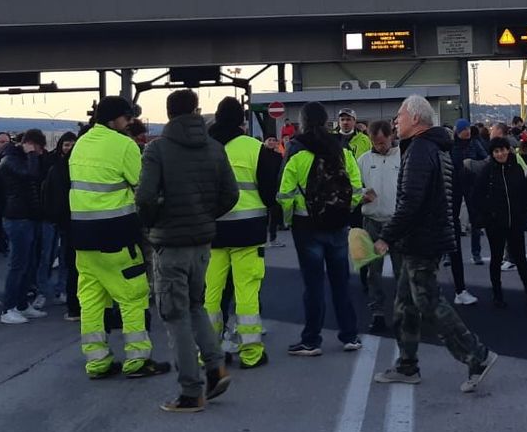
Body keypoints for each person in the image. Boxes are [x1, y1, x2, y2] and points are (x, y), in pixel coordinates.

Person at [371, 96, 497, 391]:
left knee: (428, 302)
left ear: (415, 119)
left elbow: (411, 202)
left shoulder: (419, 150)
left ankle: (477, 356)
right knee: (405, 304)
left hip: (422, 239)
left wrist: (386, 236)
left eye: (400, 116)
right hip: (425, 236)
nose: (395, 121)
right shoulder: (434, 147)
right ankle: (407, 365)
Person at [137, 88, 239, 413]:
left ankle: (191, 392)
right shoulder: (214, 147)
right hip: (202, 243)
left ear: (168, 113)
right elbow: (231, 194)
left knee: (175, 315)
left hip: (170, 244)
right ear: (196, 111)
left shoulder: (157, 150)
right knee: (195, 306)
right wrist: (205, 216)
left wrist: (153, 223)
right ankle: (216, 367)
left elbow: (144, 197)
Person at [69, 97, 170, 380]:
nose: (130, 123)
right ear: (114, 119)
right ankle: (137, 359)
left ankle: (97, 361)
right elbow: (144, 187)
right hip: (116, 234)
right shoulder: (124, 145)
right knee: (133, 295)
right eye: (127, 118)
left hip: (82, 236)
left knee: (91, 299)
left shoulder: (81, 144)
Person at [277, 101, 363, 356]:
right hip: (338, 224)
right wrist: (343, 210)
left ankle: (311, 340)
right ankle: (350, 335)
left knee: (313, 286)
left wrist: (290, 218)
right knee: (341, 282)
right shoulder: (342, 150)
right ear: (327, 121)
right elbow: (356, 188)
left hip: (307, 226)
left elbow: (284, 194)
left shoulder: (297, 152)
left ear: (303, 122)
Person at [205, 96, 282, 368]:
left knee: (211, 293)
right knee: (246, 291)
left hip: (212, 232)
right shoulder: (254, 148)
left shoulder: (204, 147)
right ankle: (251, 353)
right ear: (242, 121)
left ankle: (209, 352)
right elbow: (270, 193)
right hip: (248, 231)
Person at [470, 136, 527, 309]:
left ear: (508, 150)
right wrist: (486, 216)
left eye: (502, 150)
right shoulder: (487, 171)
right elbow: (477, 195)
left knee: (520, 258)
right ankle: (497, 294)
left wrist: (523, 214)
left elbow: (523, 192)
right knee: (496, 258)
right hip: (495, 223)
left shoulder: (516, 168)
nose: (500, 154)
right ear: (492, 154)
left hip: (515, 221)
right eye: (496, 151)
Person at [0, 129, 51, 325]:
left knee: (29, 264)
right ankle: (8, 308)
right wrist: (31, 155)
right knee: (18, 264)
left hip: (29, 216)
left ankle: (21, 304)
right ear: (30, 144)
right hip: (17, 217)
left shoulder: (21, 158)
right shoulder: (10, 160)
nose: (40, 152)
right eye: (38, 148)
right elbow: (31, 175)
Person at [357, 119, 400, 331]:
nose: (379, 146)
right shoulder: (363, 160)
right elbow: (354, 187)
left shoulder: (402, 157)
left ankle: (403, 312)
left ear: (391, 137)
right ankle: (378, 313)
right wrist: (361, 196)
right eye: (375, 143)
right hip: (372, 221)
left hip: (396, 222)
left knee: (402, 270)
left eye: (382, 142)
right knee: (374, 271)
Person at [43, 131, 79, 320]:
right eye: (66, 144)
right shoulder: (57, 166)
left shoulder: (59, 167)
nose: (69, 148)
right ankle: (49, 291)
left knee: (66, 260)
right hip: (65, 219)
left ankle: (63, 291)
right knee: (52, 256)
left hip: (66, 219)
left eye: (72, 144)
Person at [451, 119, 488, 265]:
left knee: (475, 218)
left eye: (468, 130)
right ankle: (450, 252)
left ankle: (476, 253)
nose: (467, 133)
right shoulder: (451, 145)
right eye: (463, 131)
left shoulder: (475, 143)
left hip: (472, 183)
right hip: (455, 183)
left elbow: (485, 160)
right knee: (452, 218)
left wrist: (472, 165)